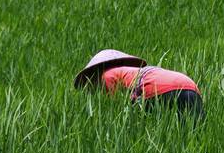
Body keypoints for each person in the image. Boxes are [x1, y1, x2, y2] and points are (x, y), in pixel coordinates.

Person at [74, 49, 203, 118]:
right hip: (190, 86)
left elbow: (115, 111)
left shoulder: (106, 75)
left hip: (159, 89)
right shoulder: (130, 72)